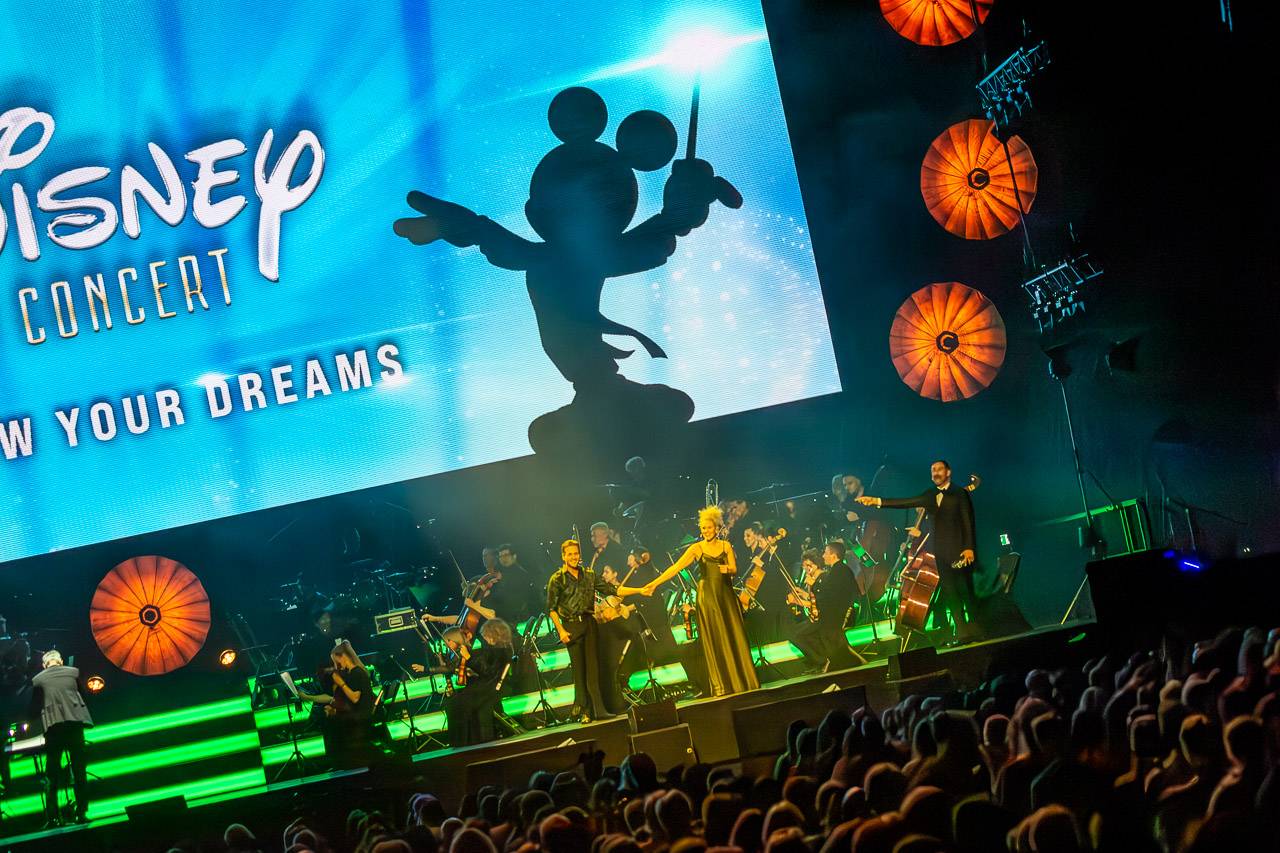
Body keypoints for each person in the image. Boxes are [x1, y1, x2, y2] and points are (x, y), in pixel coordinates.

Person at [643, 506, 759, 696]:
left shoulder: (726, 546)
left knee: (733, 635)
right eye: (703, 528)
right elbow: (676, 568)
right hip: (708, 597)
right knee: (715, 639)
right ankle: (722, 685)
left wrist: (727, 569)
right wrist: (654, 584)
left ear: (716, 527)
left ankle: (743, 680)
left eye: (709, 527)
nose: (706, 531)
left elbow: (734, 569)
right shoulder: (696, 548)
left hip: (726, 595)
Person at [858, 459, 978, 644]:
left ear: (948, 472)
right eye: (933, 470)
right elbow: (905, 502)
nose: (935, 473)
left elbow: (967, 521)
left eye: (939, 469)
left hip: (958, 551)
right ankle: (963, 634)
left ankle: (977, 629)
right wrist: (876, 501)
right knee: (951, 595)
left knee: (965, 592)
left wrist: (969, 547)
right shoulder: (930, 494)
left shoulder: (959, 493)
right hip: (939, 553)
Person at [546, 539, 645, 722]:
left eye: (576, 553)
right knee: (579, 670)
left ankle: (598, 710)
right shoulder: (557, 579)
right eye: (570, 554)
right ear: (563, 556)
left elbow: (613, 590)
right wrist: (561, 631)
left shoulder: (589, 575)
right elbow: (551, 609)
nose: (573, 557)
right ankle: (584, 711)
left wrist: (639, 590)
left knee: (593, 669)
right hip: (571, 626)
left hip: (589, 622)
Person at [30, 650, 93, 825]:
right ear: (61, 661)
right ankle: (81, 813)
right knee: (79, 771)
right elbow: (84, 697)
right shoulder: (73, 673)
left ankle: (53, 817)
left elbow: (34, 709)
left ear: (44, 665)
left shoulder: (38, 680)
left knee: (52, 774)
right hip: (74, 726)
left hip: (54, 729)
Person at [443, 619, 517, 747]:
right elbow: (486, 670)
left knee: (457, 702)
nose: (484, 638)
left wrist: (469, 658)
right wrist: (473, 672)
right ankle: (467, 739)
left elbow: (489, 672)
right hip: (488, 684)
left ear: (493, 635)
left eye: (485, 635)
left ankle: (465, 741)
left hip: (493, 687)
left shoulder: (501, 650)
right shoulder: (495, 649)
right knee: (455, 700)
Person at [299, 640, 373, 769]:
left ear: (343, 656)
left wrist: (341, 683)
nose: (335, 665)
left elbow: (355, 698)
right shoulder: (352, 673)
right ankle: (336, 761)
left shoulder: (357, 673)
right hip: (355, 713)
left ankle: (337, 761)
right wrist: (335, 708)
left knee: (330, 723)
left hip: (359, 716)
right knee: (327, 719)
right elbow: (347, 702)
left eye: (335, 661)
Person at [789, 543, 863, 672]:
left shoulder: (838, 571)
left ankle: (822, 660)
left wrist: (802, 600)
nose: (823, 556)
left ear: (833, 555)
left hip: (838, 615)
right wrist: (806, 594)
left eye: (826, 553)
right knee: (798, 632)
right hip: (832, 613)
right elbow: (825, 596)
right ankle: (821, 660)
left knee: (799, 634)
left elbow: (827, 598)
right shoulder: (838, 570)